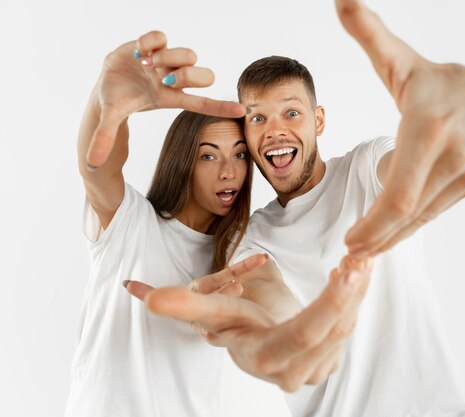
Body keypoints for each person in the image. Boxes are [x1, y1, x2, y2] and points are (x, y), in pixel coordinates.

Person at [126, 0, 465, 416]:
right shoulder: (250, 238)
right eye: (258, 118)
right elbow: (268, 299)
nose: (275, 130)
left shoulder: (366, 167)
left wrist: (446, 132)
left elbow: (411, 164)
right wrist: (278, 336)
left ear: (318, 121)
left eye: (291, 112)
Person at [69, 32, 373, 417]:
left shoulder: (241, 251)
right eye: (209, 157)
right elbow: (97, 167)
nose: (229, 172)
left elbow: (267, 299)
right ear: (182, 161)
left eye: (240, 155)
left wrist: (286, 338)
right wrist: (105, 101)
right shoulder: (130, 223)